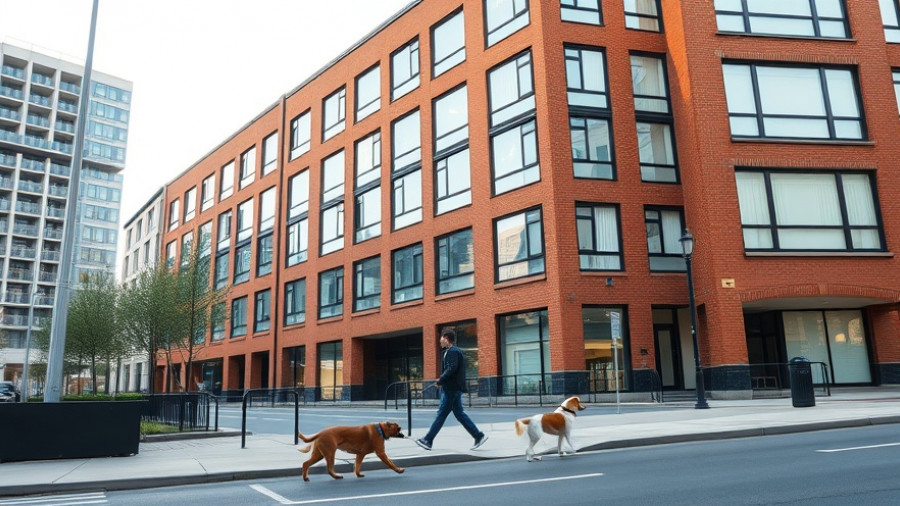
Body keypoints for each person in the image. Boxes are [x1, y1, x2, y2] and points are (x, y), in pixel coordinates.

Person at [415, 328, 488, 451]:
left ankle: (428, 440)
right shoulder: (451, 351)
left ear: (446, 338)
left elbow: (451, 368)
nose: (440, 341)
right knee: (459, 414)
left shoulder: (453, 351)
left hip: (452, 389)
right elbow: (451, 369)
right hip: (452, 388)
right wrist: (442, 381)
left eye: (441, 338)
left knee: (442, 414)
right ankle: (478, 435)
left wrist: (441, 380)